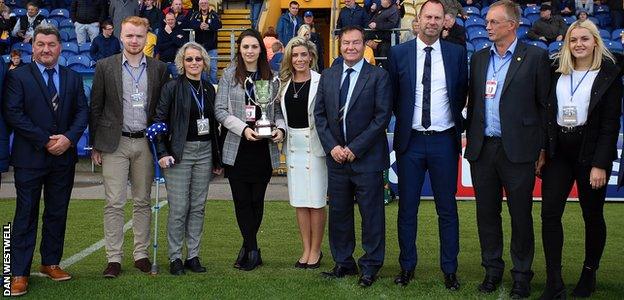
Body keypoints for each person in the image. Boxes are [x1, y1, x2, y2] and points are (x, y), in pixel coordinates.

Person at [464, 0, 550, 298]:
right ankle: (492, 271)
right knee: (486, 214)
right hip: (483, 150)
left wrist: (542, 148)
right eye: (486, 22)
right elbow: (474, 104)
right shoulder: (477, 59)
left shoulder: (536, 57)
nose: (486, 26)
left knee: (520, 215)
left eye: (493, 22)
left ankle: (522, 275)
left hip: (519, 151)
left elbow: (544, 107)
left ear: (512, 25)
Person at [387, 0, 467, 289]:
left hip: (444, 141)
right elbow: (394, 96)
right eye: (428, 17)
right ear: (417, 20)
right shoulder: (398, 53)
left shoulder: (457, 53)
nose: (432, 21)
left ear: (444, 20)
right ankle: (407, 266)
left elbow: (460, 93)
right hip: (411, 142)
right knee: (407, 208)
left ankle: (450, 269)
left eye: (437, 17)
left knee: (447, 209)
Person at [538, 20, 621, 299]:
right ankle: (554, 280)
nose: (579, 45)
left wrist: (600, 164)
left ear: (595, 42)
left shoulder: (608, 73)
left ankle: (589, 274)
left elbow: (610, 124)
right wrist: (542, 151)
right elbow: (545, 114)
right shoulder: (555, 70)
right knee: (549, 214)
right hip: (558, 151)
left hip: (591, 153)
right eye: (573, 40)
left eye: (585, 39)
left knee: (592, 215)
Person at [5, 25, 88, 296]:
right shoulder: (19, 77)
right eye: (41, 44)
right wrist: (45, 140)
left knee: (56, 212)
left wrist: (68, 139)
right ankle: (18, 272)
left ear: (59, 47)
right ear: (33, 46)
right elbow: (14, 114)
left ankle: (51, 262)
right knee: (25, 214)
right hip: (30, 157)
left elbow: (82, 113)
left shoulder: (73, 78)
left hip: (63, 158)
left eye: (51, 44)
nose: (46, 49)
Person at [90, 16, 169, 279]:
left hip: (145, 143)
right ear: (120, 37)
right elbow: (96, 107)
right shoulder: (105, 66)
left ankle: (141, 254)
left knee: (142, 201)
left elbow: (161, 109)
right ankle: (113, 258)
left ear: (147, 37)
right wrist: (95, 144)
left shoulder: (159, 69)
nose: (134, 41)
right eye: (129, 36)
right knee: (113, 203)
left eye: (139, 36)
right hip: (115, 143)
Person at [315, 25, 392, 288]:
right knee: (339, 214)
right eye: (346, 43)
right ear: (340, 45)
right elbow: (320, 115)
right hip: (336, 159)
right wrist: (333, 147)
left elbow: (381, 118)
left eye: (356, 43)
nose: (351, 47)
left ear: (365, 45)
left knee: (371, 216)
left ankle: (370, 265)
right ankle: (343, 262)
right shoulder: (328, 75)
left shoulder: (378, 76)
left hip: (366, 159)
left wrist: (354, 148)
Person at [214, 28, 286, 272]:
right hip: (238, 146)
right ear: (240, 49)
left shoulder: (272, 76)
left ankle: (248, 247)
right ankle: (253, 249)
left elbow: (279, 113)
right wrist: (243, 128)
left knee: (257, 200)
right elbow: (220, 111)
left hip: (263, 149)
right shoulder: (229, 75)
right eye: (245, 47)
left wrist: (281, 130)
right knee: (242, 201)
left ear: (261, 49)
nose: (249, 51)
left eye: (254, 46)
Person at [153, 42, 223, 276]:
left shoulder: (209, 89)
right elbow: (159, 121)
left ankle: (192, 255)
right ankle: (175, 257)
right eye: (189, 59)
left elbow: (214, 124)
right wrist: (162, 152)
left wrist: (217, 158)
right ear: (182, 63)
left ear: (205, 62)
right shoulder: (172, 87)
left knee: (198, 207)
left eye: (198, 59)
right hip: (179, 153)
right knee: (179, 207)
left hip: (205, 151)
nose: (194, 63)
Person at [278, 37, 326, 270]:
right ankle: (305, 249)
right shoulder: (283, 84)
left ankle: (316, 250)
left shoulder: (321, 81)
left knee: (316, 202)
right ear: (290, 58)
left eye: (303, 55)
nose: (299, 59)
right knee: (299, 201)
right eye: (295, 55)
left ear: (311, 57)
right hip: (293, 147)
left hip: (316, 147)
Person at [189, 0, 222, 84]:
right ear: (199, 5)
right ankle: (203, 86)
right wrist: (199, 25)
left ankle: (214, 86)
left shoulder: (213, 14)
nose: (203, 5)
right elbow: (190, 24)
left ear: (208, 4)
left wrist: (209, 26)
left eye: (205, 3)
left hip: (212, 47)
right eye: (202, 3)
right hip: (199, 47)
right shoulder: (195, 14)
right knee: (201, 68)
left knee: (213, 68)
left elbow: (219, 24)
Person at [367, 0, 399, 68]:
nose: (381, 1)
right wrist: (372, 12)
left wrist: (377, 25)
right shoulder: (380, 8)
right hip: (374, 37)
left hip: (387, 40)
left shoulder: (394, 10)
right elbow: (371, 19)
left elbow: (391, 24)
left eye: (383, 0)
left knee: (384, 55)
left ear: (389, 1)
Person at [156, 12, 188, 78]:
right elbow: (160, 47)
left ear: (175, 20)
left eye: (172, 19)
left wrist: (170, 33)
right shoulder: (161, 32)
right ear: (165, 20)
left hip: (176, 63)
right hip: (163, 63)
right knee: (163, 84)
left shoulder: (180, 31)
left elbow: (181, 44)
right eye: (168, 20)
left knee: (178, 84)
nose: (170, 21)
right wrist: (174, 41)